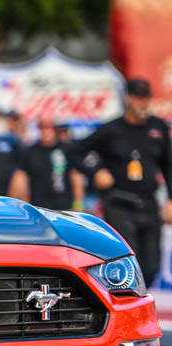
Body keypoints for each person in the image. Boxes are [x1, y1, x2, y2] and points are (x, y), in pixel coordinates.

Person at [72, 78, 172, 286]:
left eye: (146, 98)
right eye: (138, 98)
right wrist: (96, 171)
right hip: (119, 204)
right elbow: (74, 151)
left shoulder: (157, 127)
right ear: (128, 99)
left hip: (149, 203)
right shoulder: (111, 129)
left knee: (151, 265)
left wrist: (170, 199)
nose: (143, 103)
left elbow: (168, 164)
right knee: (128, 262)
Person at [9, 116, 84, 211]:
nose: (45, 131)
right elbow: (20, 179)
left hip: (65, 209)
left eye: (48, 128)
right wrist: (21, 204)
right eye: (42, 128)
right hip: (39, 209)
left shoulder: (66, 149)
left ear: (55, 129)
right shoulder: (31, 152)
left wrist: (78, 204)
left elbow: (76, 177)